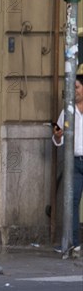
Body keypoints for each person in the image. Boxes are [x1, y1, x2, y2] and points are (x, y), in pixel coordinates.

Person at [52, 66, 83, 255]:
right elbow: (57, 138)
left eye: (77, 87)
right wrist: (57, 135)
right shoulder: (67, 111)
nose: (74, 91)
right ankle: (73, 242)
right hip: (75, 162)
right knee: (72, 201)